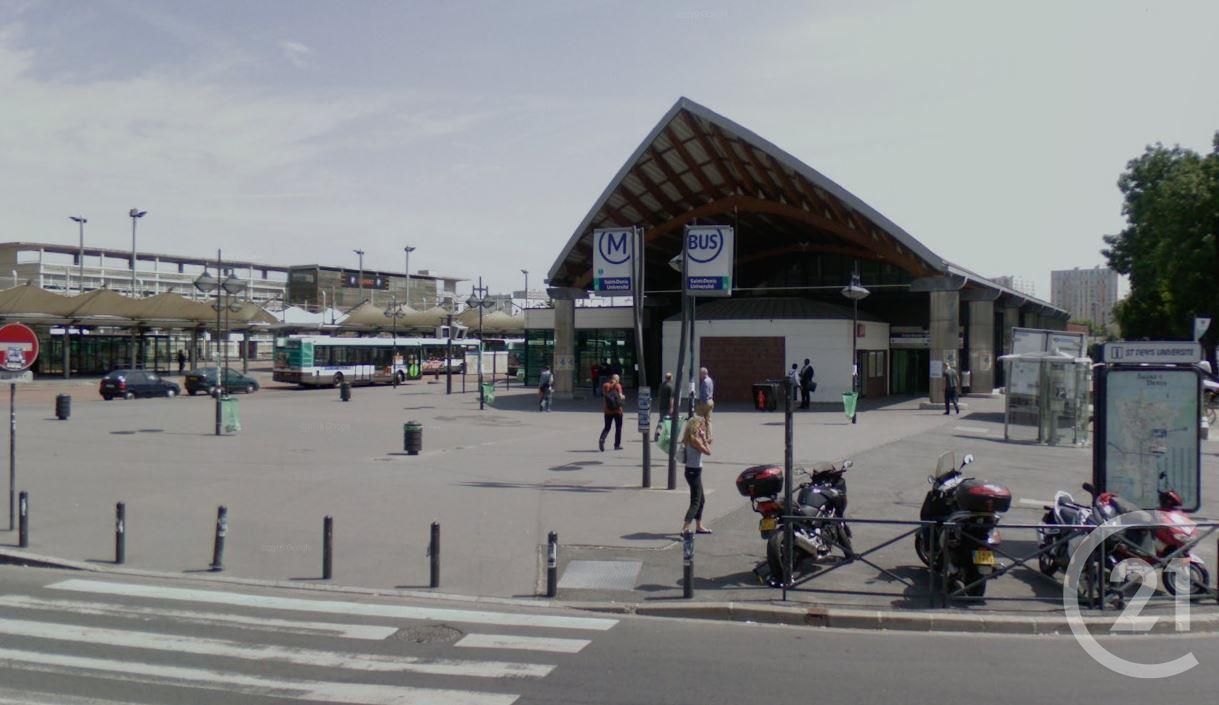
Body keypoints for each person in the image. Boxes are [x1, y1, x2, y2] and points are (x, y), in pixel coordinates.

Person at [680, 412, 714, 536]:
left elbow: (702, 446)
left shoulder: (690, 438)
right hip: (693, 472)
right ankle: (685, 528)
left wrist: (705, 439)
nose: (703, 427)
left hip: (692, 471)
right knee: (696, 501)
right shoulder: (694, 440)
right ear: (697, 426)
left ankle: (699, 526)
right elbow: (708, 452)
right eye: (702, 425)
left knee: (701, 500)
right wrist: (704, 439)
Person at [599, 373, 626, 451]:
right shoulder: (617, 385)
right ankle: (617, 445)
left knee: (607, 427)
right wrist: (623, 397)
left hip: (607, 410)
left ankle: (602, 439)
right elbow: (620, 396)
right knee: (618, 427)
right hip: (617, 410)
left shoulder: (605, 385)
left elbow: (604, 395)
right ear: (617, 379)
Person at [653, 372, 674, 442]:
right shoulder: (670, 386)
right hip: (667, 406)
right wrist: (671, 407)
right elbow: (671, 398)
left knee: (661, 420)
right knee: (668, 421)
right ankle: (668, 435)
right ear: (670, 378)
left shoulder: (661, 385)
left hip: (661, 405)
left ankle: (658, 431)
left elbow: (659, 395)